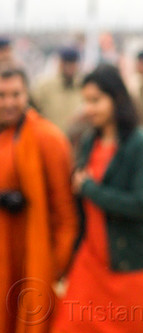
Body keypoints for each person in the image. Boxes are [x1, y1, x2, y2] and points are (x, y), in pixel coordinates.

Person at [52, 64, 143, 332]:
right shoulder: (88, 141)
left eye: (96, 101)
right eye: (86, 101)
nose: (89, 108)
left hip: (132, 264)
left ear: (116, 99)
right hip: (91, 262)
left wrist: (90, 189)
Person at [0, 67, 77, 333]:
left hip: (35, 259)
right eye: (2, 95)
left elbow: (65, 211)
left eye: (15, 94)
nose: (9, 102)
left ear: (27, 95)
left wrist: (54, 267)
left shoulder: (48, 138)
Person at [31, 47, 83, 131]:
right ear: (60, 63)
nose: (70, 67)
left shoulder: (82, 85)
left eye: (73, 63)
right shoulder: (45, 86)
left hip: (76, 140)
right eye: (66, 63)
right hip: (50, 136)